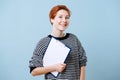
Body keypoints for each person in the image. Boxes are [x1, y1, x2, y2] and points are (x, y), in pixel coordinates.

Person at [29, 5, 87, 80]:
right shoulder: (44, 43)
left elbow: (82, 62)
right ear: (52, 19)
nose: (64, 20)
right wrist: (54, 67)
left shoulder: (74, 39)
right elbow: (33, 71)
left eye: (67, 17)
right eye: (60, 17)